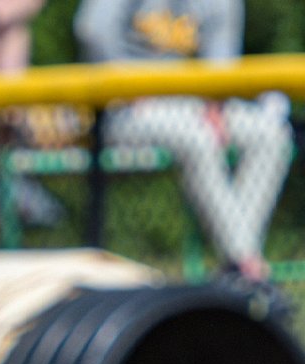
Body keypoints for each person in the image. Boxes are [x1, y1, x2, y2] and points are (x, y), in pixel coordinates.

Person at [74, 0, 292, 283]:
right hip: (124, 107)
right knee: (196, 138)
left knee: (270, 135)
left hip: (189, 102)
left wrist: (215, 102)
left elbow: (221, 56)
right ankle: (247, 268)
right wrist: (124, 80)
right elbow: (91, 29)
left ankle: (238, 263)